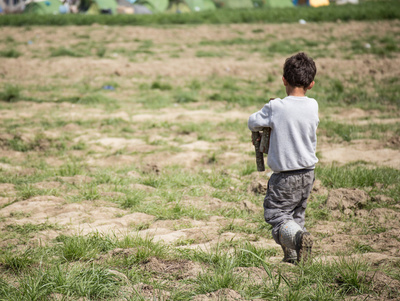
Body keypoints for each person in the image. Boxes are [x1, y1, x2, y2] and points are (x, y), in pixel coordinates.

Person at [248, 52, 319, 264]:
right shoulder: (313, 105)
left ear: (283, 80)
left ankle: (298, 240)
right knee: (296, 215)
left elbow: (253, 122)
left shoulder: (276, 106)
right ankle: (295, 258)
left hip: (285, 176)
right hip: (308, 173)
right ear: (311, 84)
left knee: (277, 215)